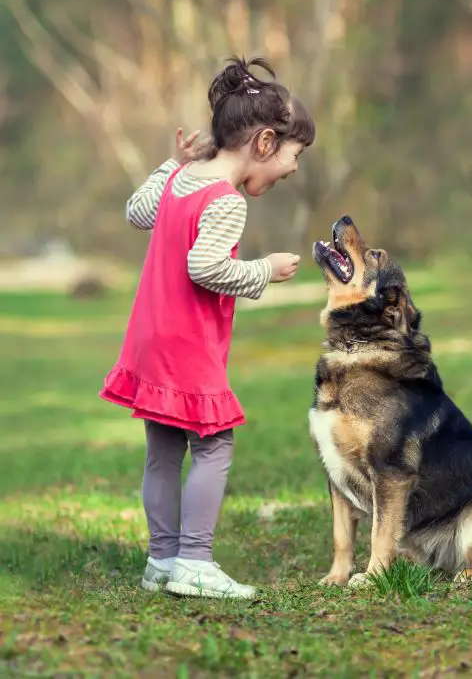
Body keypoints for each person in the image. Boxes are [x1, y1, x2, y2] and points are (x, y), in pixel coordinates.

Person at [99, 55, 315, 599]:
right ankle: (194, 561)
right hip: (186, 343)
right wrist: (264, 271)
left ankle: (162, 560)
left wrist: (170, 164)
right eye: (294, 155)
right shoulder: (226, 200)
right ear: (264, 143)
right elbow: (206, 268)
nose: (292, 168)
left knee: (165, 449)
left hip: (151, 336)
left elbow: (136, 211)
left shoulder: (184, 180)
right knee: (215, 444)